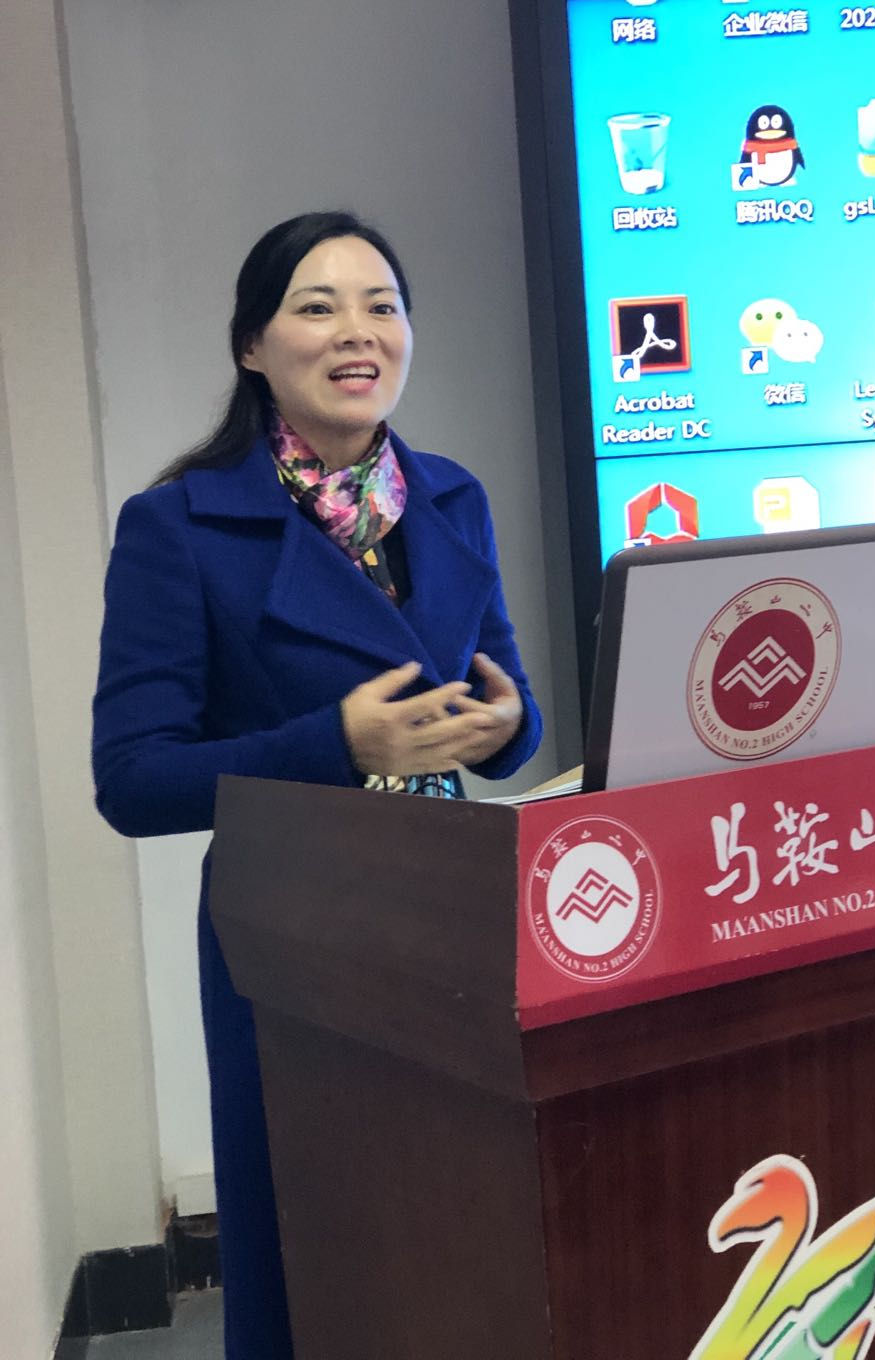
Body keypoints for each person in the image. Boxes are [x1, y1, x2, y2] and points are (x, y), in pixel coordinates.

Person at [92, 211, 543, 1359]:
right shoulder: (178, 526)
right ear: (253, 345)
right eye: (318, 306)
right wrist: (337, 744)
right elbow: (133, 779)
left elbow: (505, 701)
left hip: (452, 911)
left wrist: (509, 727)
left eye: (382, 306)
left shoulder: (449, 499)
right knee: (316, 1250)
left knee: (464, 1238)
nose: (358, 332)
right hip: (290, 937)